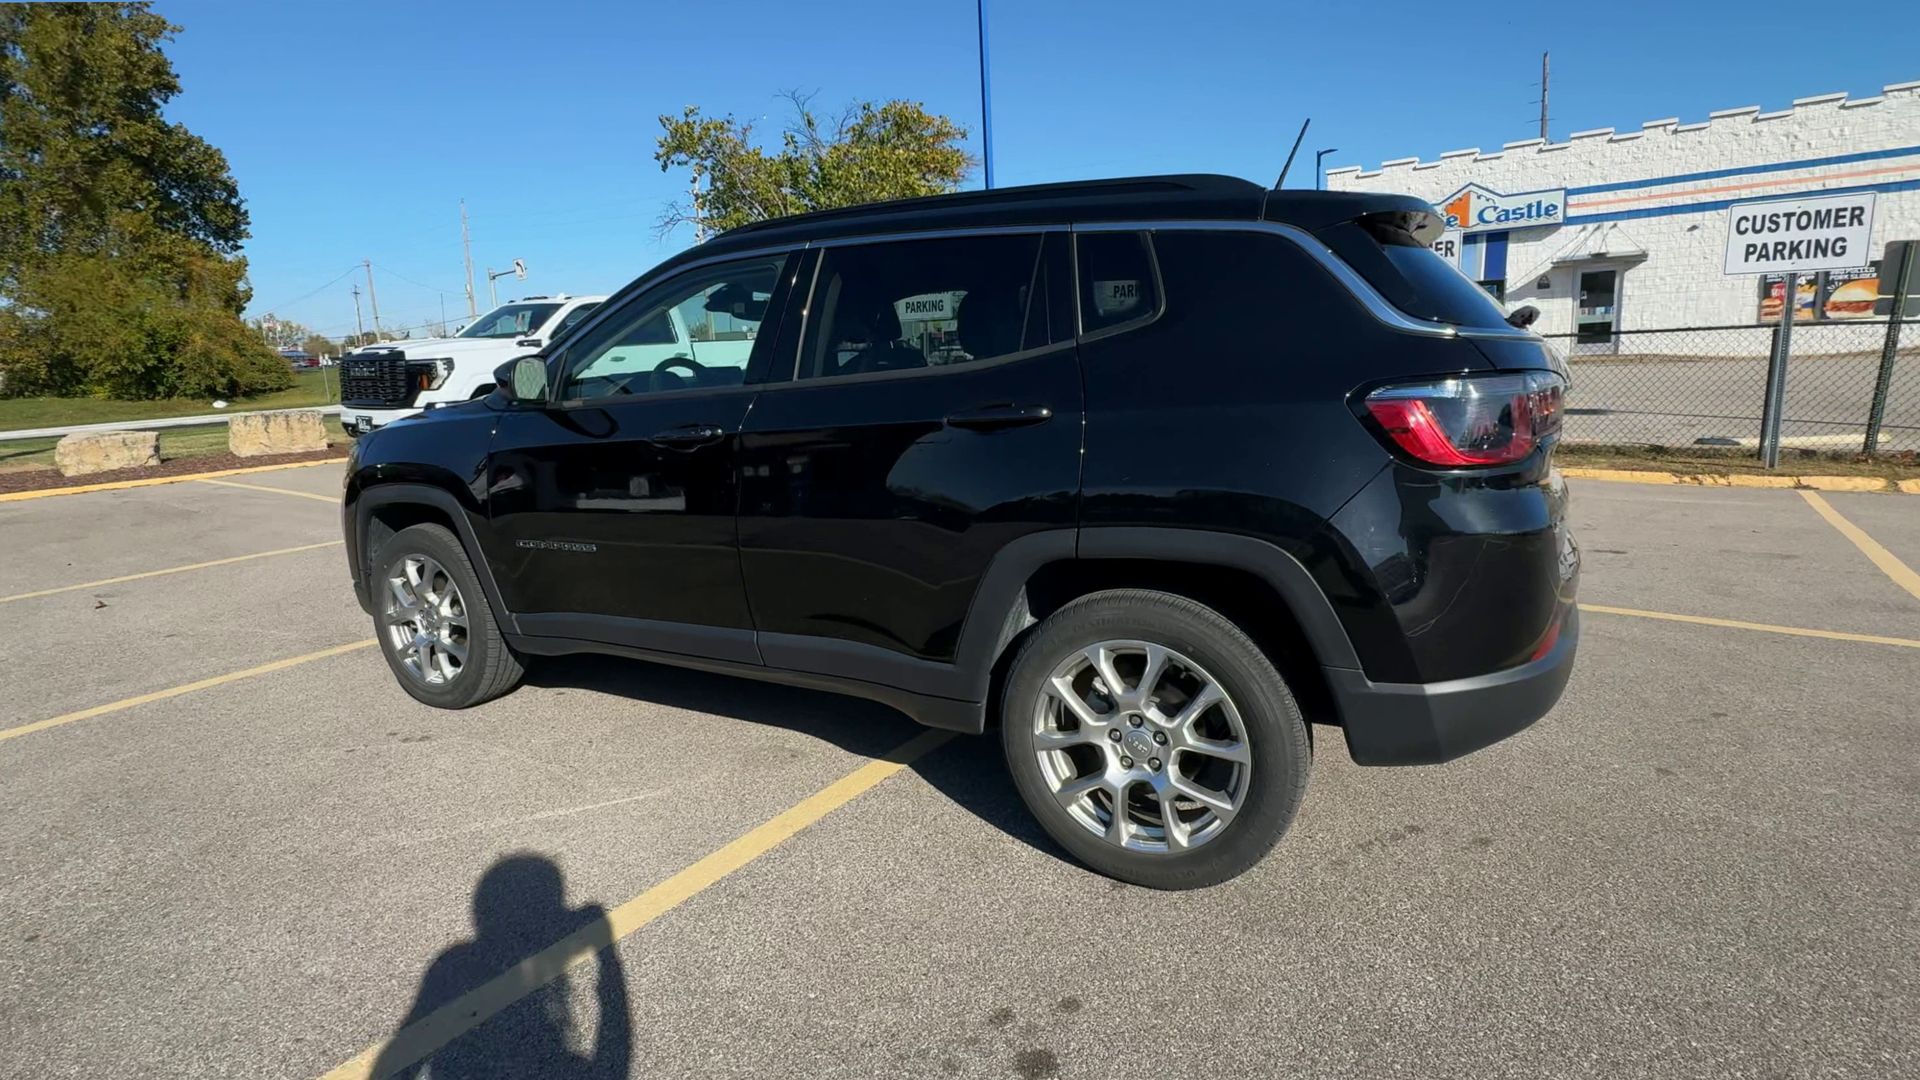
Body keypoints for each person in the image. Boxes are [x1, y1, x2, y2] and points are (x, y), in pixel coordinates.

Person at [373, 855, 631, 1079]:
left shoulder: (457, 964)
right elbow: (613, 1063)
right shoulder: (562, 1059)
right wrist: (607, 956)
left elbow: (398, 1060)